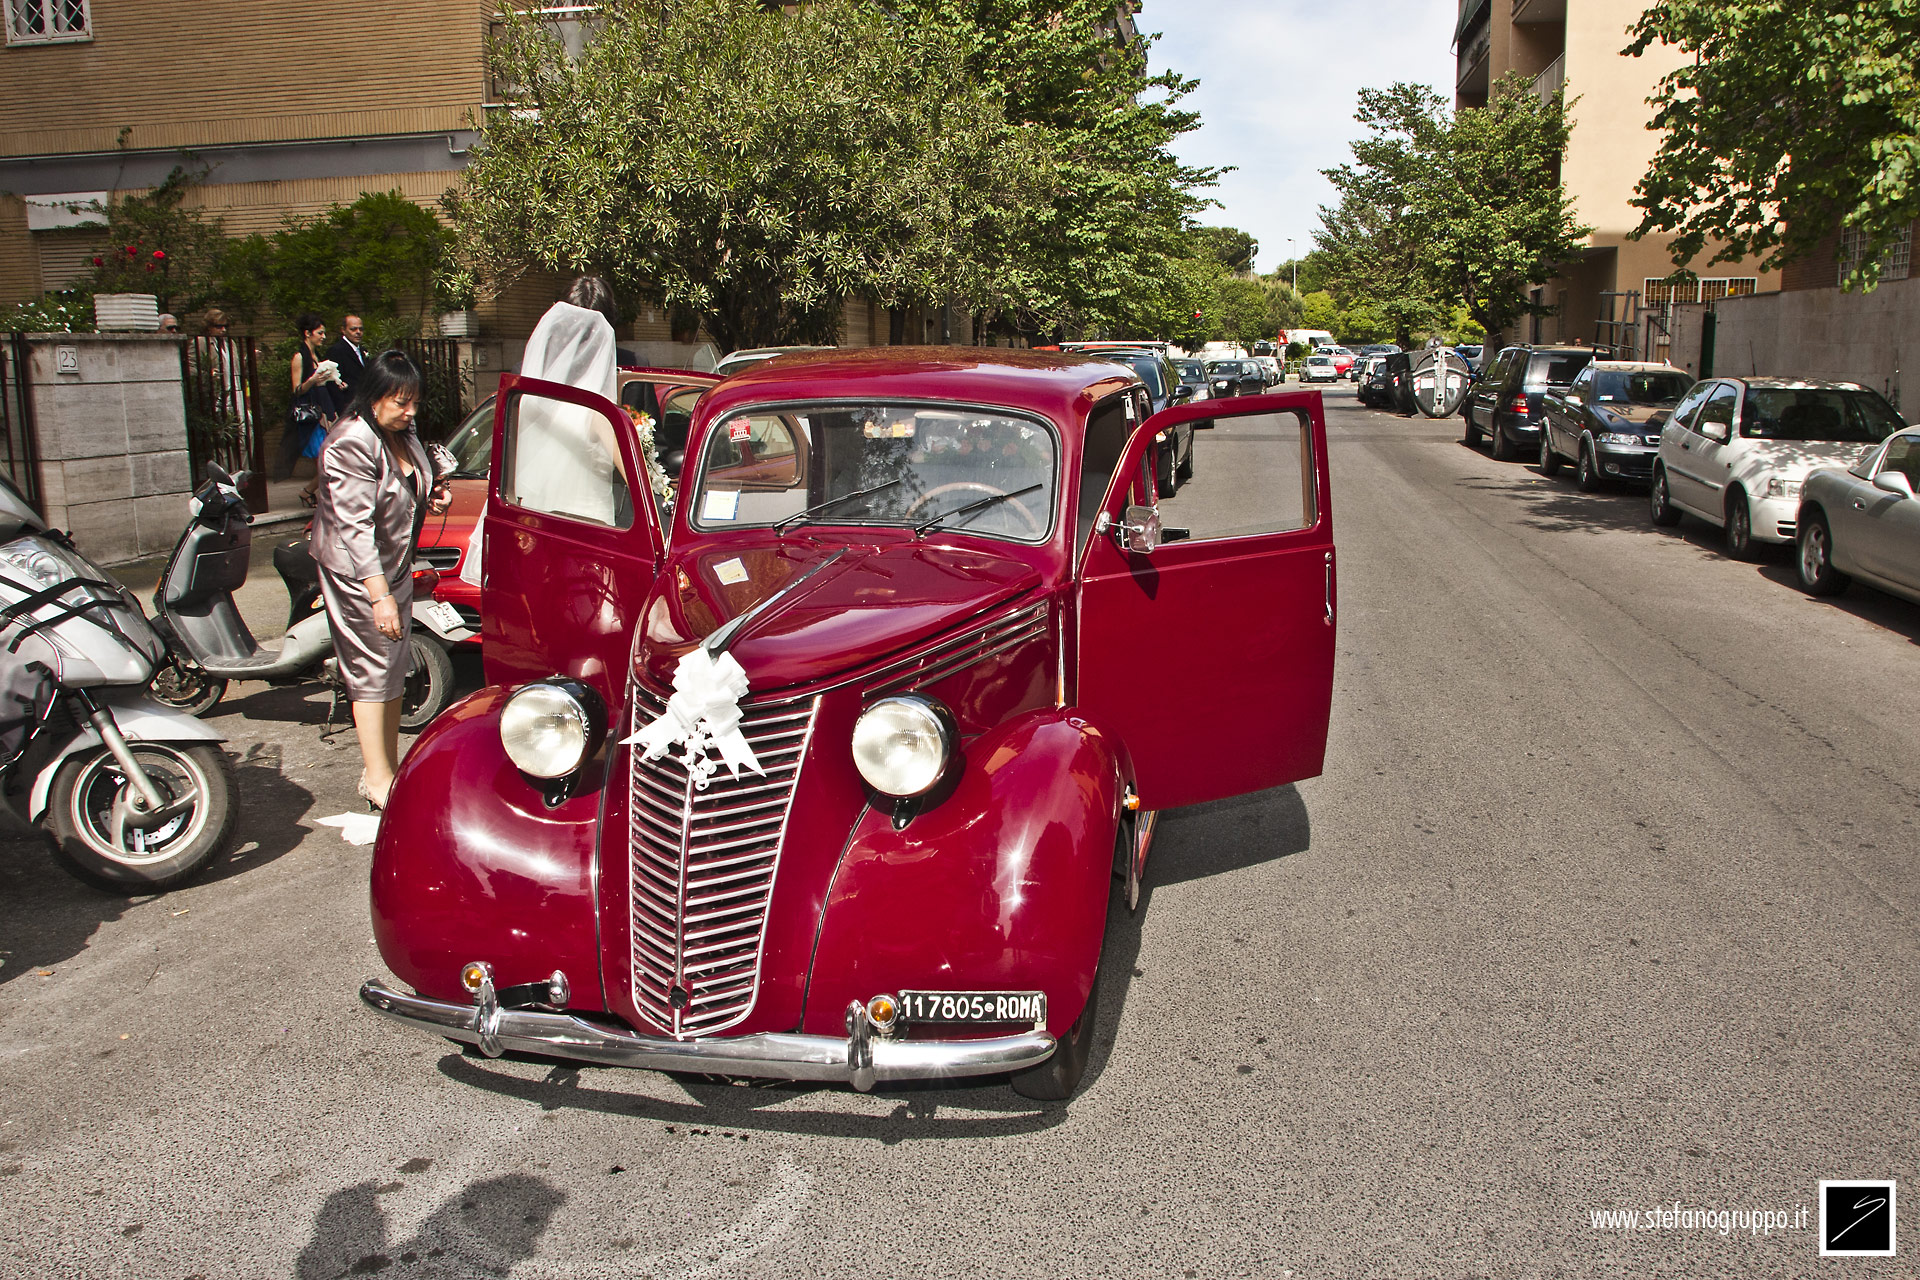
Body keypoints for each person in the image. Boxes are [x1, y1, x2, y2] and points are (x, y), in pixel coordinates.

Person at [309, 350, 451, 810]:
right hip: (357, 572)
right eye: (400, 402)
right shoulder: (350, 442)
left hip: (393, 563)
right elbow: (353, 528)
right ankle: (376, 778)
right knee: (371, 667)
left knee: (393, 665)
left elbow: (410, 481)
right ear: (372, 397)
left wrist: (433, 495)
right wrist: (379, 597)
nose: (410, 412)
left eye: (414, 403)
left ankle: (385, 767)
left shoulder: (401, 432)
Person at [459, 276, 624, 587]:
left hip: (532, 530)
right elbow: (637, 481)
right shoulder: (599, 412)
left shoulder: (525, 401)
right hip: (587, 535)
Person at [288, 313, 345, 503]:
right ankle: (314, 494)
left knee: (329, 460)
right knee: (326, 461)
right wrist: (312, 380)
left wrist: (335, 381)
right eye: (320, 333)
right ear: (307, 333)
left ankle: (308, 492)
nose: (323, 337)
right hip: (310, 416)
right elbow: (297, 390)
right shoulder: (299, 357)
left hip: (323, 408)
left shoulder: (316, 356)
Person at [327, 314, 368, 396]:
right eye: (353, 329)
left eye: (361, 329)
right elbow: (333, 382)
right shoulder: (336, 350)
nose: (358, 332)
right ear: (343, 330)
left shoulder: (363, 350)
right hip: (347, 401)